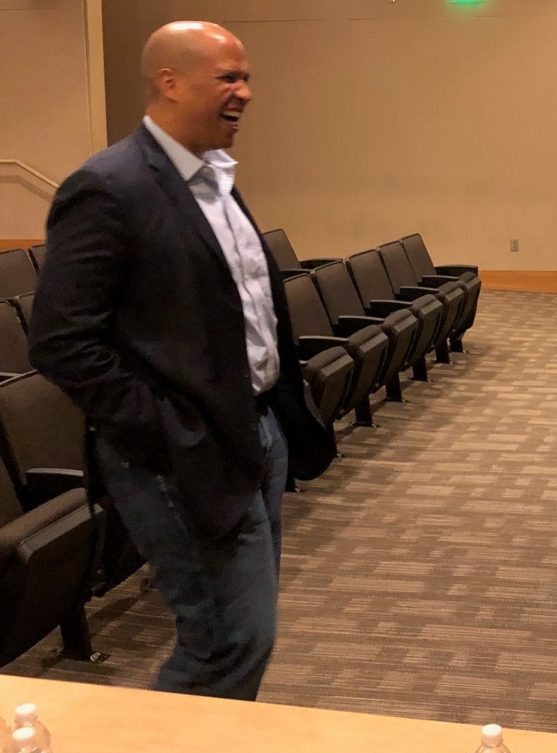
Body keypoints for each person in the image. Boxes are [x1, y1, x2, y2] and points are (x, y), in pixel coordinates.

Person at [29, 20, 335, 700]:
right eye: (228, 77)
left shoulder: (213, 178)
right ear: (169, 82)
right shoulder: (108, 186)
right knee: (227, 639)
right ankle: (160, 745)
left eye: (246, 77)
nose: (245, 92)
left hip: (253, 431)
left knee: (243, 634)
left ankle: (211, 741)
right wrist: (163, 429)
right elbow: (60, 339)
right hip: (183, 448)